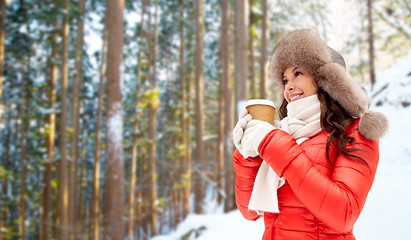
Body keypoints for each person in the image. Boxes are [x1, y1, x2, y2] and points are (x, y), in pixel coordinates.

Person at [232, 29, 388, 240]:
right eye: (285, 80)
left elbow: (344, 213)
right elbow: (249, 212)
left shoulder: (354, 132)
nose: (289, 87)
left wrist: (271, 143)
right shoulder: (284, 131)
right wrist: (249, 152)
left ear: (326, 79)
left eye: (298, 74)